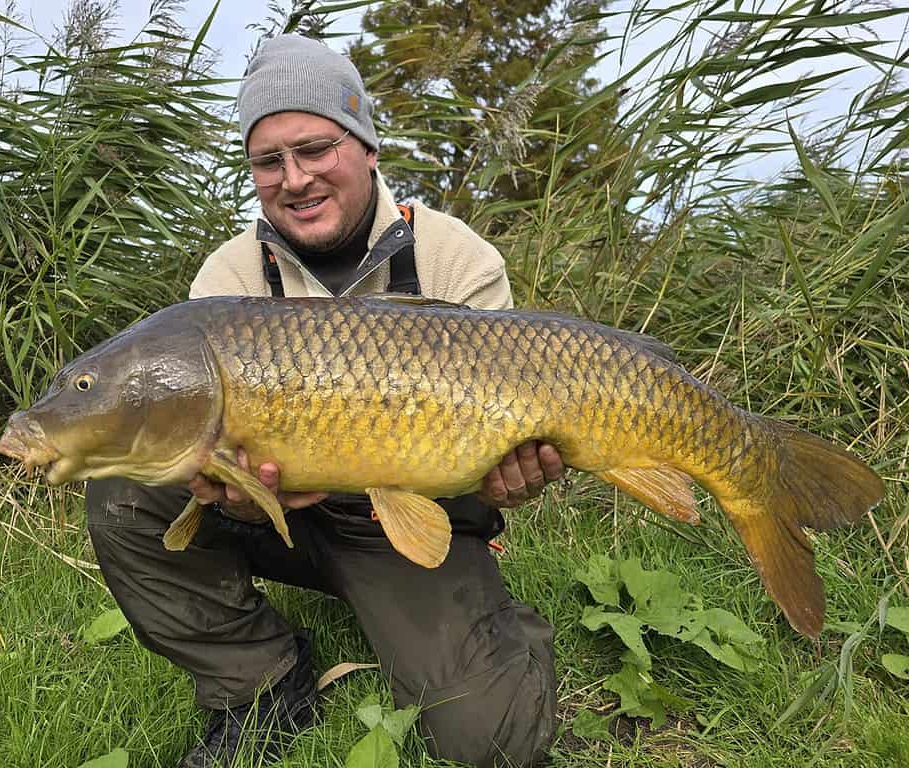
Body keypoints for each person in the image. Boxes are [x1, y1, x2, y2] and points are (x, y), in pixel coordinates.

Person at [85, 34, 565, 768]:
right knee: (122, 482)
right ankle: (261, 682)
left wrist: (513, 476)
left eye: (315, 149)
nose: (295, 178)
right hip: (278, 513)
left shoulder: (455, 258)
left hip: (406, 518)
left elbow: (501, 447)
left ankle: (490, 629)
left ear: (367, 146)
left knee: (491, 745)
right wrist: (233, 494)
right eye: (268, 161)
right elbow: (197, 438)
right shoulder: (228, 277)